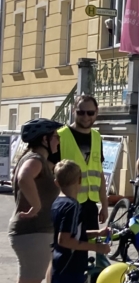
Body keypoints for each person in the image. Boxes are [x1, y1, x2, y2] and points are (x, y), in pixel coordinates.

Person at [7, 119, 61, 283]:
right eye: (55, 136)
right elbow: (24, 179)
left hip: (35, 232)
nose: (58, 139)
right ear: (44, 139)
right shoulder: (35, 160)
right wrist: (37, 206)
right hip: (32, 232)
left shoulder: (38, 159)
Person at [56, 95, 108, 234]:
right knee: (68, 247)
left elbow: (100, 173)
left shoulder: (97, 137)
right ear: (74, 111)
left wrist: (104, 205)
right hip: (68, 204)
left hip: (90, 205)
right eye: (81, 112)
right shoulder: (60, 136)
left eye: (90, 113)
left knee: (86, 247)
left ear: (96, 112)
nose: (86, 117)